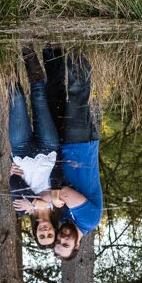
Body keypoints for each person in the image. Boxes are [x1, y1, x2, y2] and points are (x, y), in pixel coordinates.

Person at [43, 45, 103, 259]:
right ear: (76, 246)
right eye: (65, 244)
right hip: (81, 146)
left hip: (60, 148)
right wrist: (47, 197)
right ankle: (76, 44)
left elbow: (46, 199)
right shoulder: (89, 220)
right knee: (77, 95)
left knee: (53, 94)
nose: (62, 238)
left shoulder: (62, 220)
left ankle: (52, 48)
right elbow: (65, 193)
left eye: (58, 242)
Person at [8, 46, 66, 248]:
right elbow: (54, 192)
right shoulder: (60, 206)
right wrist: (35, 201)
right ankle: (26, 49)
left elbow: (15, 182)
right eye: (50, 234)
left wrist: (37, 201)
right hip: (49, 149)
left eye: (42, 236)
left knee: (15, 98)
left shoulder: (21, 210)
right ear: (54, 230)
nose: (46, 232)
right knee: (39, 96)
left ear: (35, 233)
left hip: (22, 153)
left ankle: (6, 52)